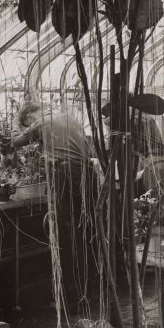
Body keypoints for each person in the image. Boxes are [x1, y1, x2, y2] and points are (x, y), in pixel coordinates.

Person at [12, 102, 98, 315]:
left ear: (32, 115)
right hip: (87, 176)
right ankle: (90, 295)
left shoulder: (42, 122)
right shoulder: (70, 118)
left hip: (65, 176)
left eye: (28, 122)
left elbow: (14, 143)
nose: (30, 125)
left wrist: (18, 128)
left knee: (64, 238)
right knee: (85, 234)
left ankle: (70, 302)